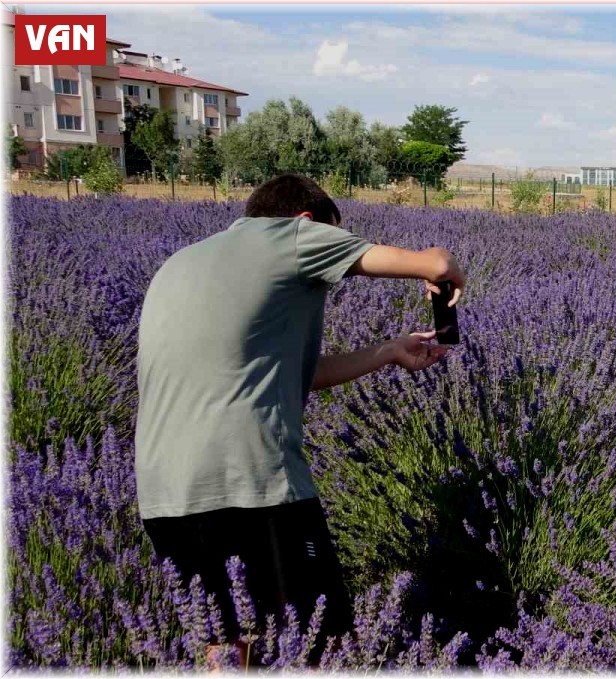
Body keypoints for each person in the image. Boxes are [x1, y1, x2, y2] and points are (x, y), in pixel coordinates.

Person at [134, 173, 467, 666]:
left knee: (229, 649)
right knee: (320, 644)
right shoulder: (291, 236)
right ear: (308, 222)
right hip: (251, 485)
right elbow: (437, 260)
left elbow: (296, 376)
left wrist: (389, 351)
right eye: (333, 236)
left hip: (165, 496)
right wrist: (440, 272)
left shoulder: (182, 261)